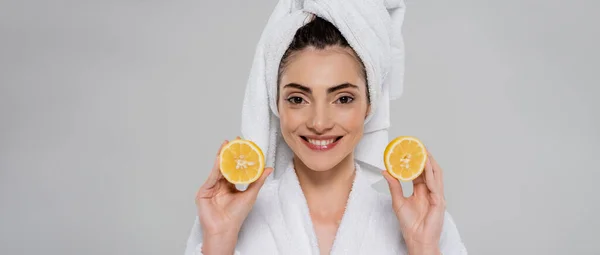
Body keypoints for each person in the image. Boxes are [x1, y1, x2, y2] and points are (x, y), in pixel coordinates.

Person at [185, 1, 467, 255]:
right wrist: (219, 242)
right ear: (276, 105)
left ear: (370, 105)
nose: (319, 123)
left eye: (343, 98)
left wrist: (422, 247)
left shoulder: (424, 225)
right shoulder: (225, 222)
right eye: (298, 99)